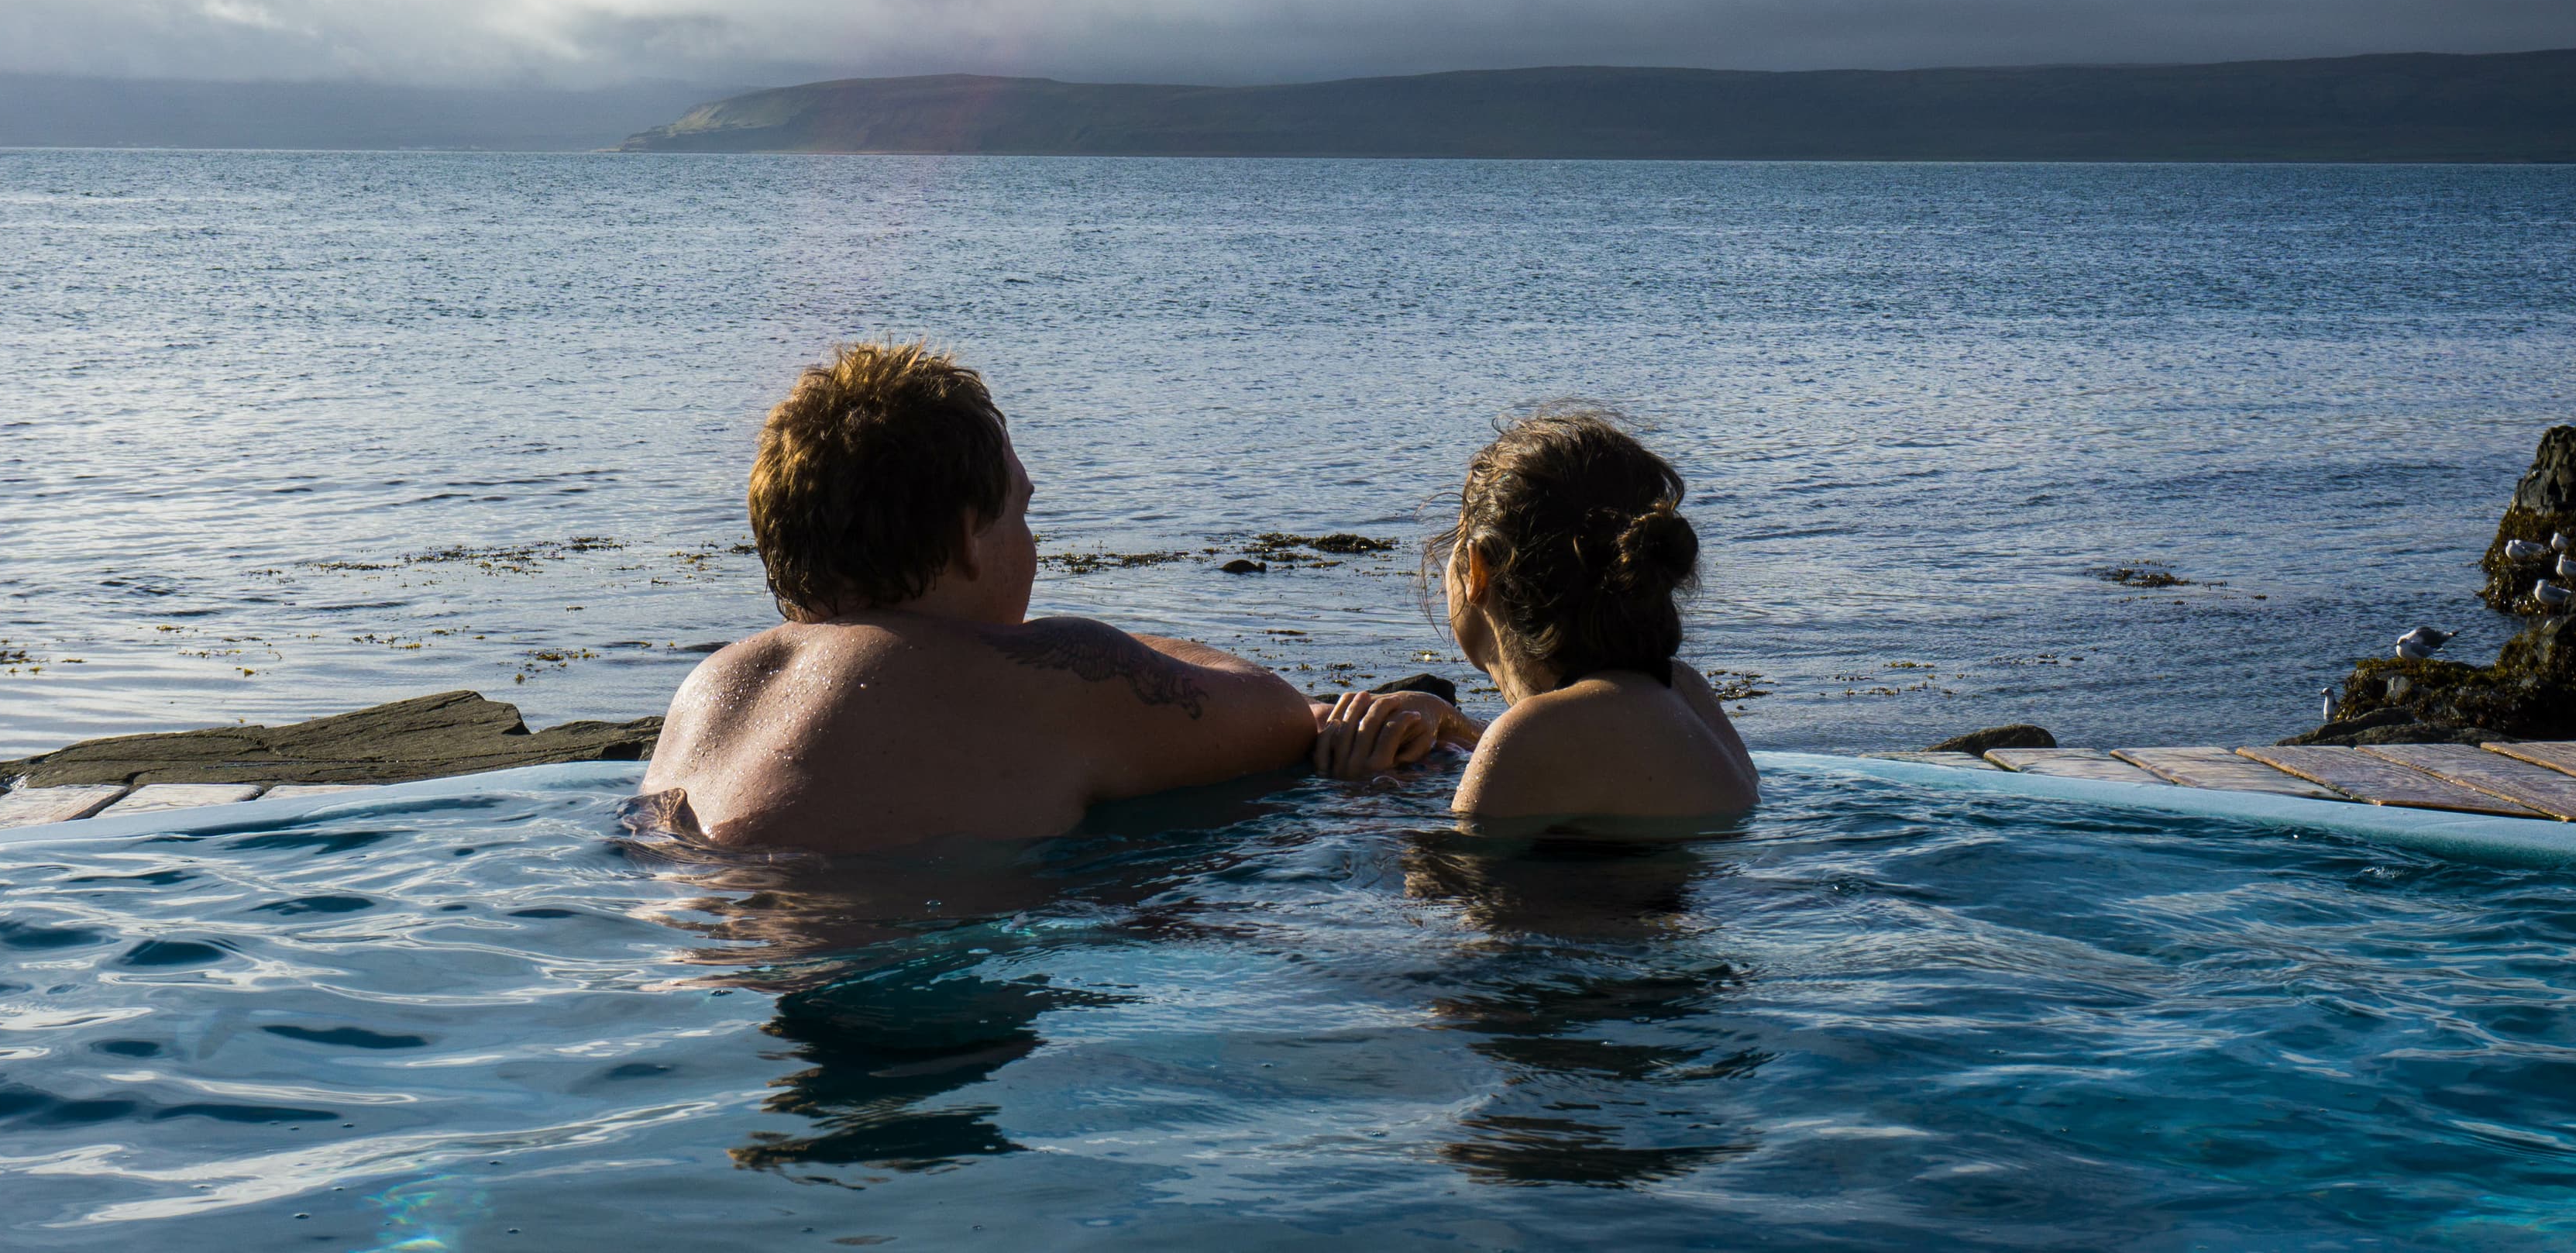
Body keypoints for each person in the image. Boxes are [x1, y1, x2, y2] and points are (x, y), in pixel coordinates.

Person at [638, 342, 1318, 851]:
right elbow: (1279, 715)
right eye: (1021, 512)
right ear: (968, 537)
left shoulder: (712, 684)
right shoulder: (1059, 672)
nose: (1031, 543)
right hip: (917, 993)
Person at [1308, 411, 1758, 832]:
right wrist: (1456, 725)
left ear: (1478, 571)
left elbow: (1457, 899)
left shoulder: (1530, 738)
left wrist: (1365, 796)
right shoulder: (1687, 690)